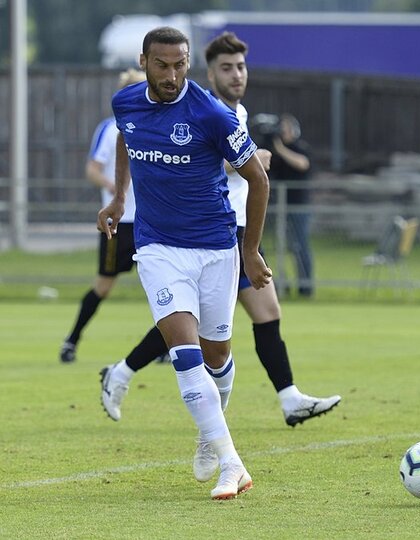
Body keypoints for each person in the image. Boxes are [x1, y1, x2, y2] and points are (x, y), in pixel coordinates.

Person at [99, 33, 340, 447]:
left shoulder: (237, 114)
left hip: (237, 232)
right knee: (189, 324)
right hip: (203, 234)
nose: (236, 75)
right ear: (210, 74)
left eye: (241, 67)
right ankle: (127, 375)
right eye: (227, 68)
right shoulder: (202, 110)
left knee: (258, 315)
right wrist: (246, 162)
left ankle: (287, 398)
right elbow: (188, 158)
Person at [97, 26, 271, 500]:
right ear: (144, 62)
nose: (172, 75)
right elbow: (125, 138)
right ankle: (232, 465)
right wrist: (120, 197)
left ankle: (209, 435)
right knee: (184, 353)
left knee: (218, 357)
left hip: (215, 249)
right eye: (162, 65)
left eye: (180, 65)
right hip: (158, 248)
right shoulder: (126, 103)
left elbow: (258, 179)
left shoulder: (212, 114)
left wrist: (250, 250)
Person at [58, 69, 148, 364]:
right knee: (104, 286)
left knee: (162, 286)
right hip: (118, 224)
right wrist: (113, 185)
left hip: (151, 223)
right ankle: (71, 340)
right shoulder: (110, 129)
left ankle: (165, 347)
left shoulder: (157, 127)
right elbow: (92, 169)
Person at [269, 113, 314, 298]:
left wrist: (280, 149)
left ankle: (305, 287)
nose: (282, 132)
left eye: (286, 129)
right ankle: (281, 286)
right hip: (279, 207)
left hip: (298, 207)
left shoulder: (300, 148)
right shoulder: (274, 151)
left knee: (300, 246)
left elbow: (303, 164)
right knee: (281, 248)